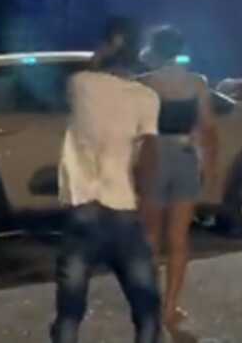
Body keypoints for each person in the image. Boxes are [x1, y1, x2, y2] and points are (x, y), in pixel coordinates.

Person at [52, 18, 162, 343]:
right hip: (124, 208)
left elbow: (90, 65)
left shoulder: (80, 84)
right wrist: (148, 206)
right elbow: (149, 158)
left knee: (69, 313)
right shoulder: (146, 97)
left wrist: (107, 48)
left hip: (82, 209)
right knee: (146, 310)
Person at [137, 26, 219, 328]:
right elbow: (208, 128)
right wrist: (210, 168)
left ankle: (148, 303)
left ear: (153, 50)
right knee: (178, 238)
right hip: (185, 156)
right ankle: (170, 307)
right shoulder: (196, 83)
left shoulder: (143, 84)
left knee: (149, 237)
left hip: (153, 157)